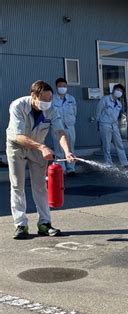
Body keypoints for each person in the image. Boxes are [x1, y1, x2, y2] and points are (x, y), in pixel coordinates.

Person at [6, 80, 75, 239]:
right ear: (33, 96)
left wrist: (67, 151)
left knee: (40, 186)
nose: (48, 103)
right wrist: (43, 148)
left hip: (37, 147)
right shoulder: (18, 106)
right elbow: (19, 136)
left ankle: (45, 223)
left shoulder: (51, 110)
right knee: (18, 185)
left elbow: (60, 132)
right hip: (17, 145)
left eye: (50, 99)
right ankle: (21, 225)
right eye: (44, 100)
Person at [96, 83, 128, 167]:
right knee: (106, 145)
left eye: (121, 91)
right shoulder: (105, 99)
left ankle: (124, 163)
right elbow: (98, 111)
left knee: (119, 144)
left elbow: (117, 115)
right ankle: (108, 163)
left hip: (114, 125)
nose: (119, 92)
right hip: (105, 124)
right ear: (113, 90)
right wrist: (98, 123)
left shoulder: (119, 103)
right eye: (117, 90)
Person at [51, 77, 77, 176]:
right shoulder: (52, 98)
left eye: (64, 86)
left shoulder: (71, 99)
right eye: (60, 86)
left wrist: (71, 121)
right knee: (58, 148)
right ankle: (61, 169)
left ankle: (71, 168)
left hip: (70, 126)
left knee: (70, 146)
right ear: (56, 87)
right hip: (57, 127)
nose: (62, 88)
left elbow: (75, 112)